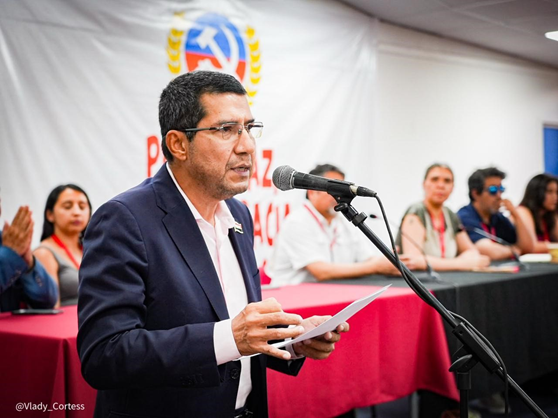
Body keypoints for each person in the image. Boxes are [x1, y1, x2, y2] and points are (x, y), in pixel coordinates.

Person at [77, 71, 348, 418]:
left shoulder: (239, 215)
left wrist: (290, 341)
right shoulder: (125, 220)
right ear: (178, 144)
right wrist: (229, 338)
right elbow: (105, 355)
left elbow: (236, 331)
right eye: (225, 129)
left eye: (249, 128)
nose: (247, 145)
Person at [267, 163, 420, 286]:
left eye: (339, 188)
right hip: (294, 301)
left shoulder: (342, 218)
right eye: (331, 189)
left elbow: (366, 259)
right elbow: (321, 271)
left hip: (333, 294)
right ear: (312, 192)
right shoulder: (297, 221)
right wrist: (376, 267)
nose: (337, 194)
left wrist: (387, 262)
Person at [397, 163, 490, 271]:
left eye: (447, 181)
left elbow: (472, 252)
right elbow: (413, 260)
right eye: (435, 179)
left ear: (452, 187)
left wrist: (467, 261)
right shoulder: (416, 212)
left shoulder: (450, 215)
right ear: (424, 184)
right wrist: (460, 264)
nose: (441, 185)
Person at [458, 167, 534, 260]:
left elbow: (527, 248)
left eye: (501, 189)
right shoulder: (464, 216)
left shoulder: (497, 217)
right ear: (476, 194)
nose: (499, 195)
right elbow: (489, 251)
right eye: (493, 190)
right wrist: (513, 250)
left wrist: (515, 215)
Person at [34, 184, 91, 307]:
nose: (76, 212)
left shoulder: (91, 249)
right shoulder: (44, 253)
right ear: (50, 215)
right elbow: (52, 308)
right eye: (67, 206)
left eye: (82, 207)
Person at [0, 197, 58, 312]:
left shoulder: (9, 240)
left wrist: (29, 264)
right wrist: (10, 255)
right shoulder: (10, 248)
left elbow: (48, 301)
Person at [515, 173, 558, 253]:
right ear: (536, 192)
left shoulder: (549, 214)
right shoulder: (522, 211)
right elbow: (532, 247)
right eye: (550, 192)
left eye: (556, 192)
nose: (555, 197)